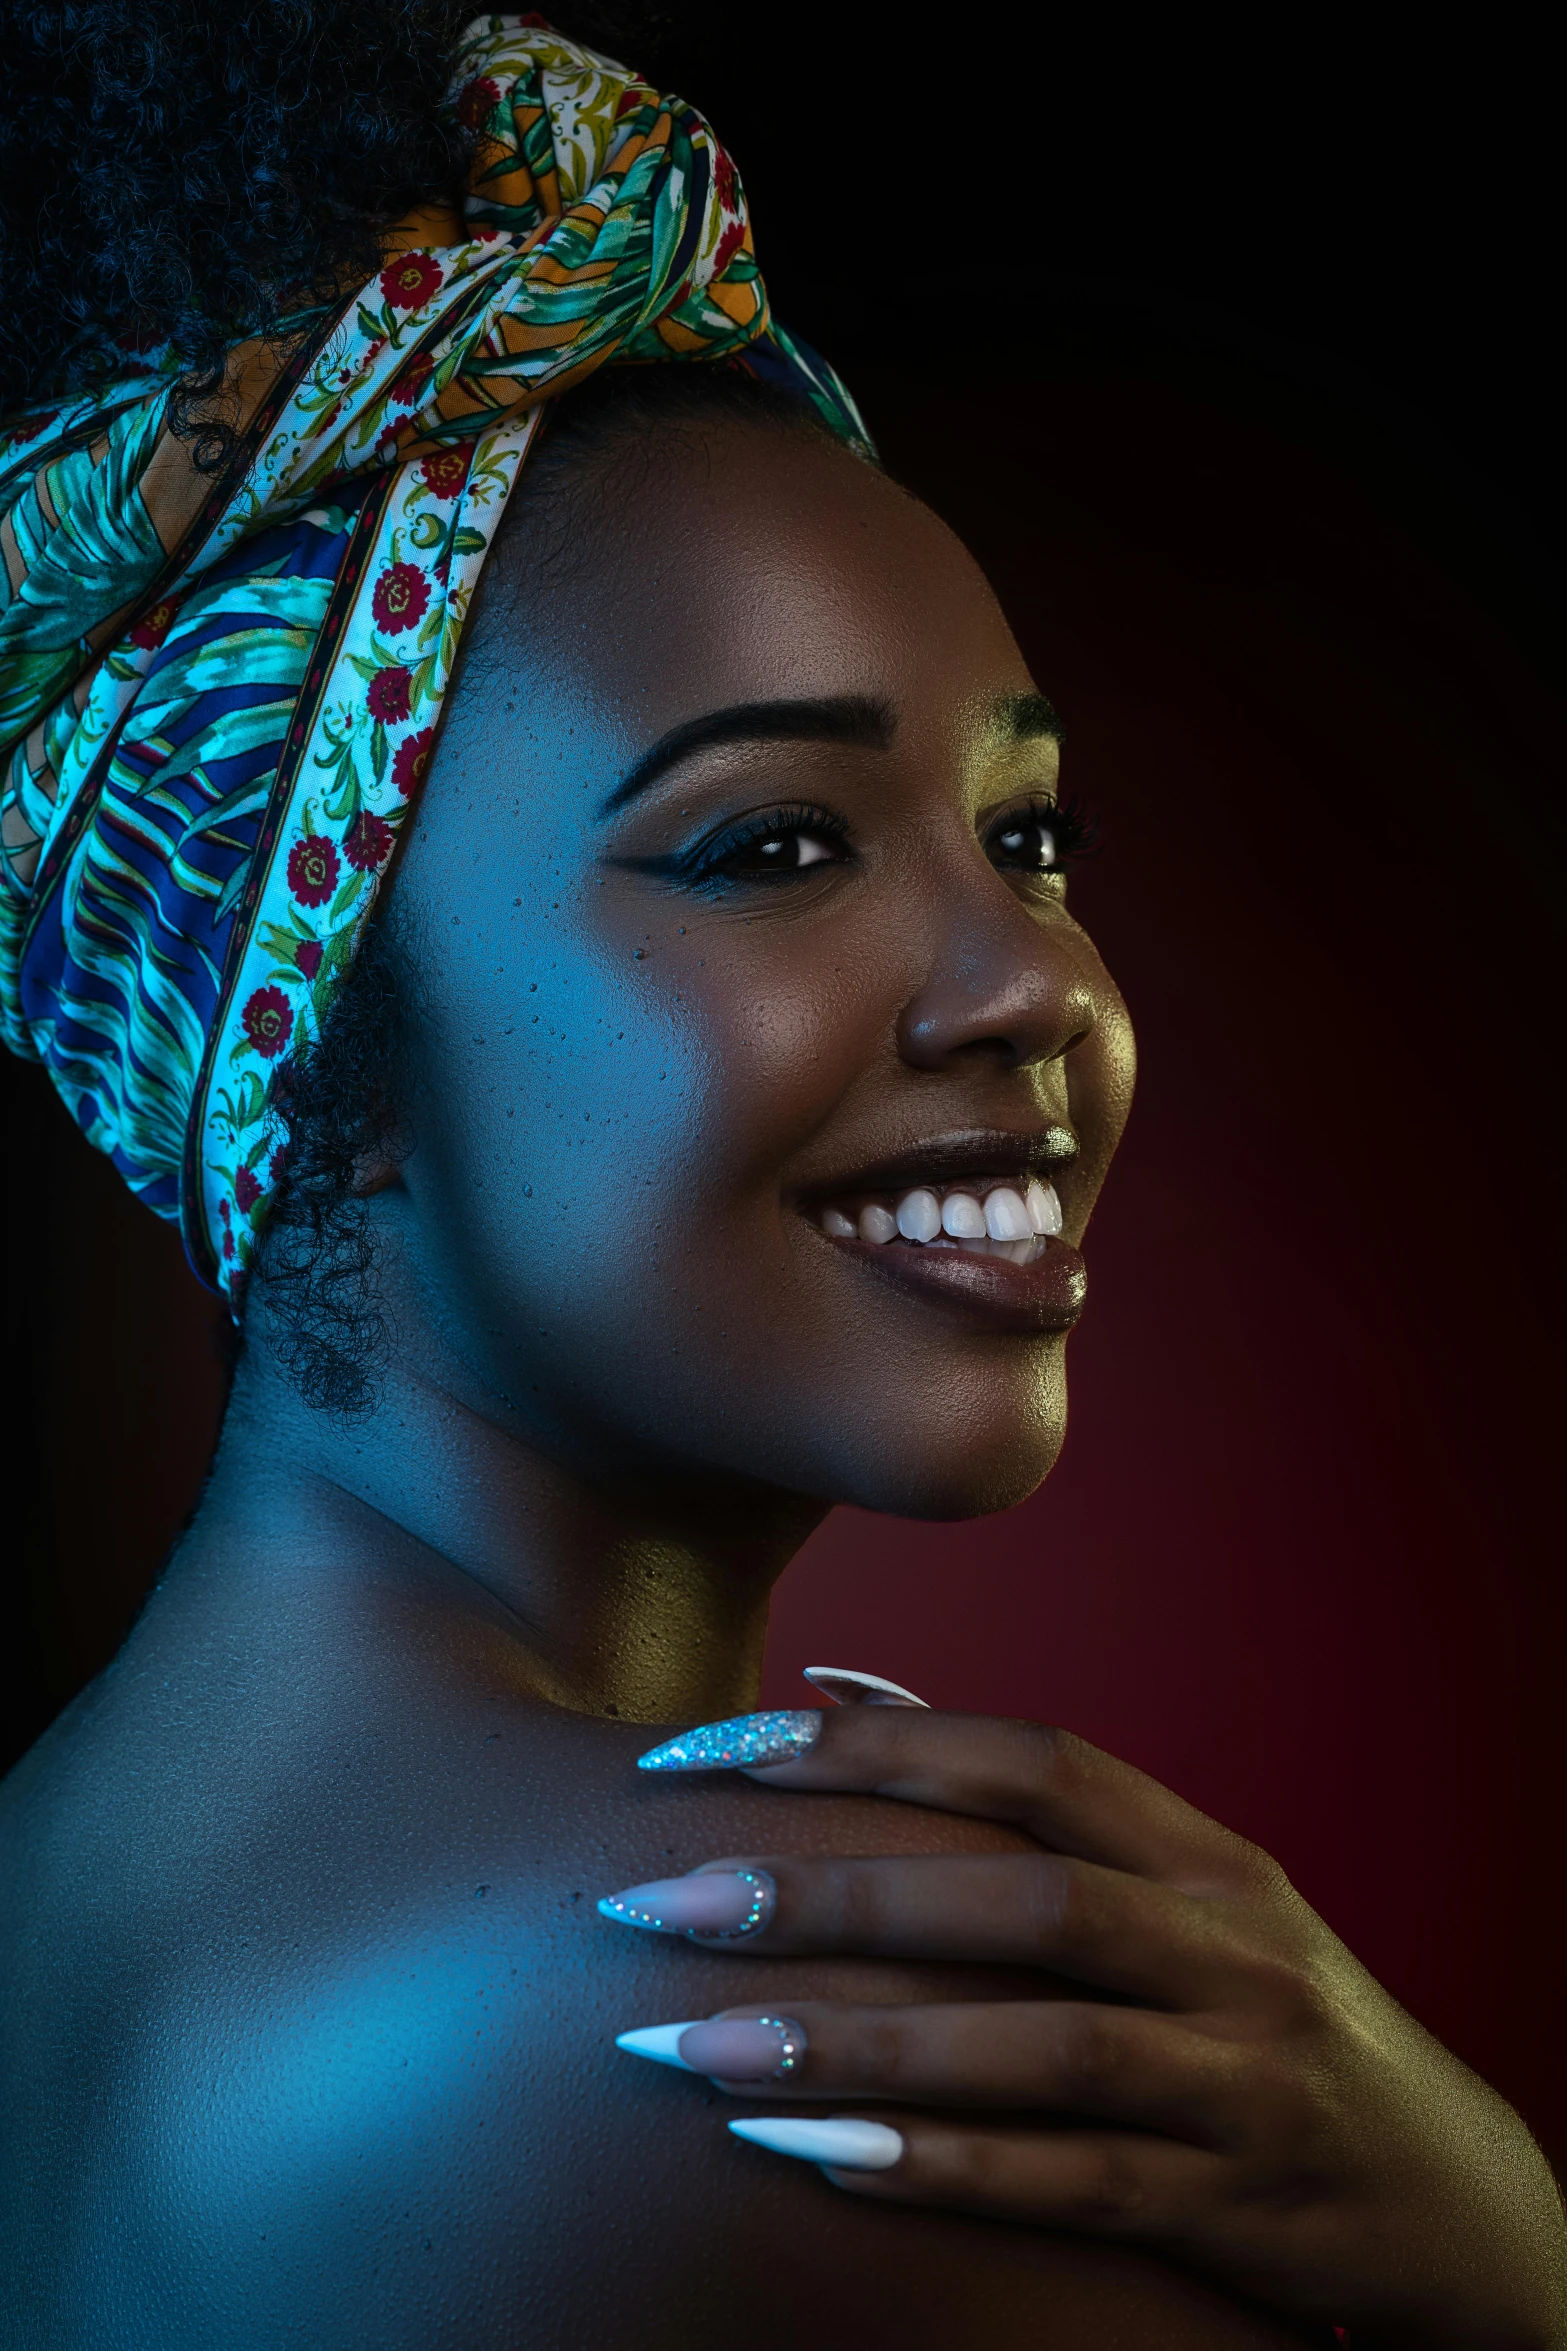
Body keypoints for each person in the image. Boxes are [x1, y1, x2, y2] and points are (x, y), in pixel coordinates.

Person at [1, 10, 1561, 2346]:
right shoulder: (760, 2016)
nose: (1030, 979)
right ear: (317, 1039)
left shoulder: (63, 1862)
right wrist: (1505, 2240)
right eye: (773, 843)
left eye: (1029, 833)